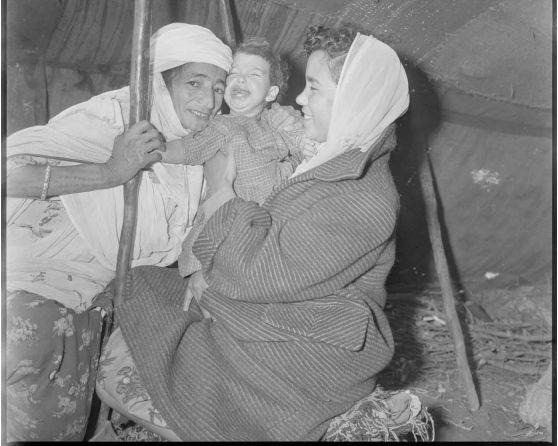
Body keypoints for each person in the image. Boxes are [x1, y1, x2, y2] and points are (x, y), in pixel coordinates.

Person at [98, 25, 410, 441]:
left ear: (354, 99)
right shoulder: (339, 164)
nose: (299, 98)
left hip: (298, 363)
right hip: (282, 321)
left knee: (127, 363)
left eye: (313, 88)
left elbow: (258, 276)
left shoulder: (361, 197)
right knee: (144, 284)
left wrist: (223, 194)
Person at [4, 22, 233, 441]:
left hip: (88, 308)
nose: (208, 100)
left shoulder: (192, 151)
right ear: (162, 84)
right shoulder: (116, 117)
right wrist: (110, 171)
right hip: (23, 293)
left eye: (219, 87)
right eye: (194, 83)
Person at [162, 37, 306, 277]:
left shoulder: (277, 121)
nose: (241, 79)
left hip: (273, 224)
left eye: (254, 75)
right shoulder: (222, 125)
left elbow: (308, 148)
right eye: (234, 73)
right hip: (229, 228)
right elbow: (189, 149)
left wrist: (296, 131)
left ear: (271, 93)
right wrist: (155, 150)